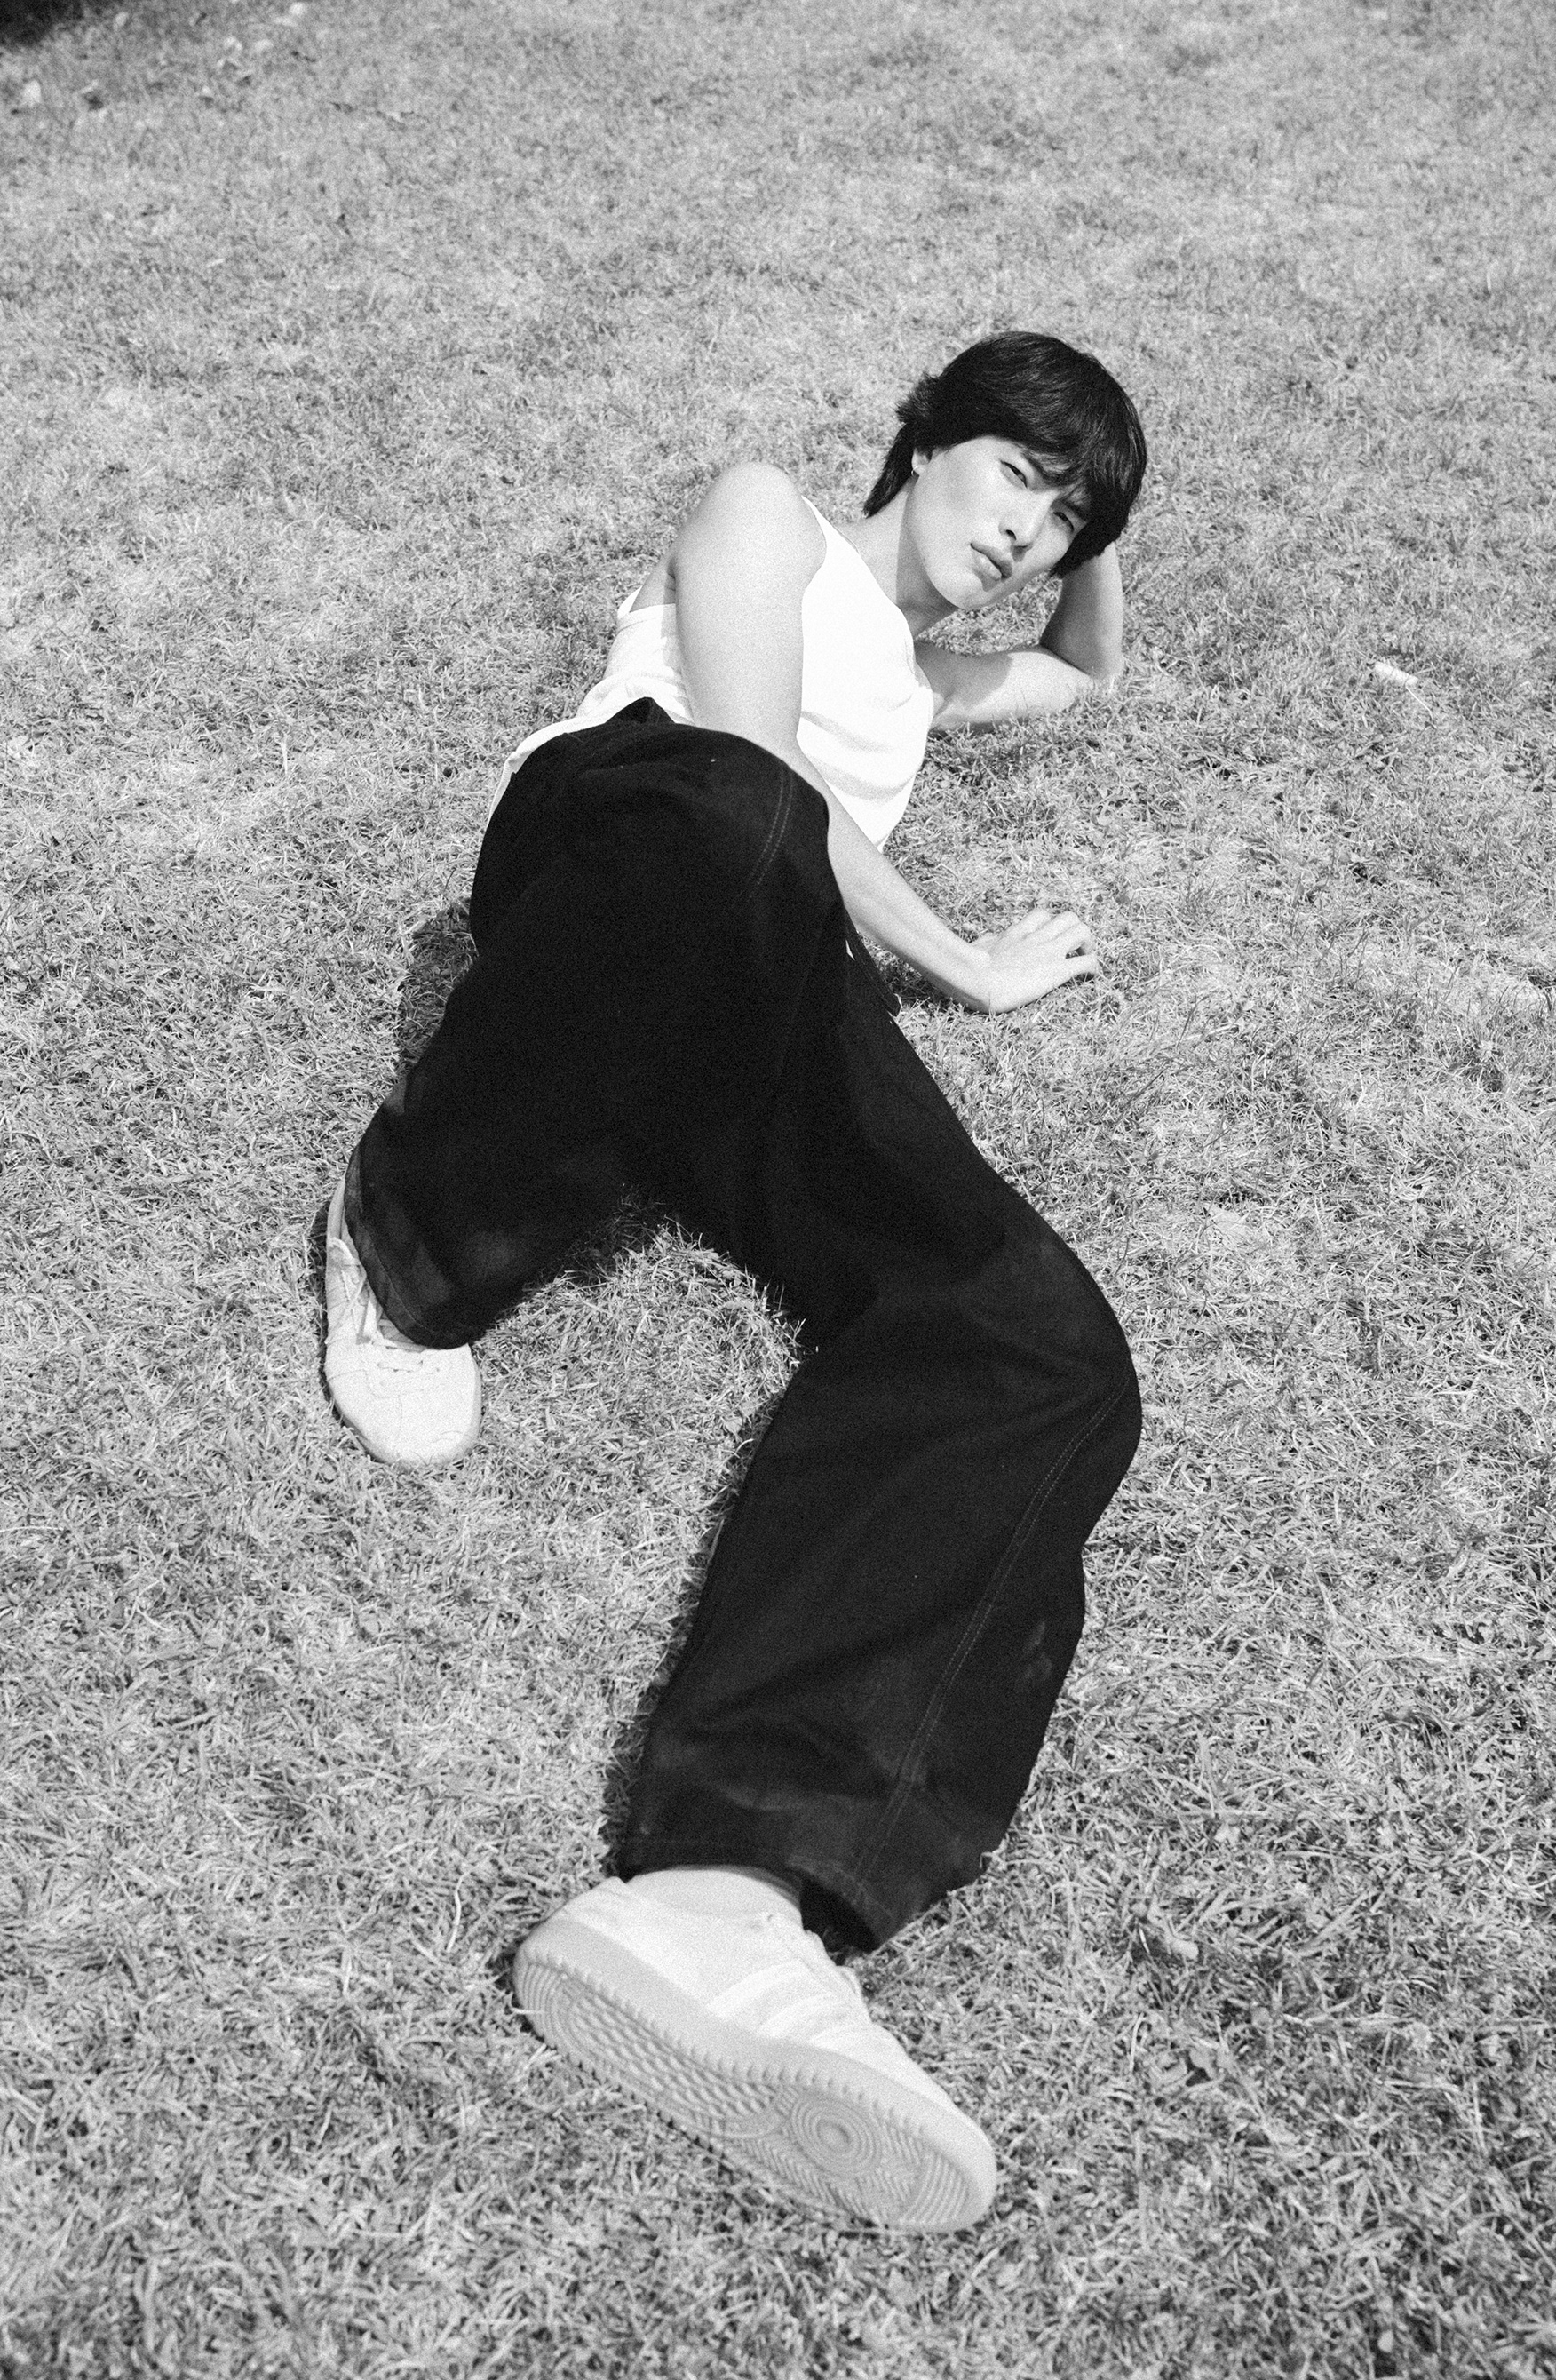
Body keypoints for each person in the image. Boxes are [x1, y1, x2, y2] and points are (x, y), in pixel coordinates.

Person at [322, 330, 1147, 2232]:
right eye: (1015, 477)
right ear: (923, 438)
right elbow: (759, 773)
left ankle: (723, 1901)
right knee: (741, 824)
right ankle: (407, 1241)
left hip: (765, 977)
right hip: (627, 858)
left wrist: (1104, 520)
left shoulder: (940, 672)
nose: (1027, 536)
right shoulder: (769, 519)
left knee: (1038, 1346)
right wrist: (962, 960)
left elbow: (1091, 673)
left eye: (1063, 520)